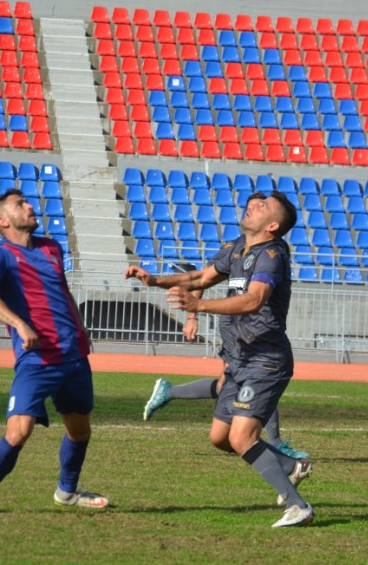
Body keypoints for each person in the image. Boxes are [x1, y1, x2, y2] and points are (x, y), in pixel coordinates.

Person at [125, 190, 314, 528]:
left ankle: (298, 506)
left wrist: (199, 306)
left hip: (265, 359)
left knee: (242, 438)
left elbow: (254, 300)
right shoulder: (237, 247)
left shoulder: (271, 255)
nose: (251, 206)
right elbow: (199, 277)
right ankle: (290, 466)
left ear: (272, 225)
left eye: (262, 206)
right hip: (238, 358)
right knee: (220, 438)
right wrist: (154, 280)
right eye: (251, 203)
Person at [0, 189, 107, 514]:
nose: (30, 206)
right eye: (20, 204)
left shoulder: (51, 247)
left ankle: (67, 492)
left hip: (74, 356)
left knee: (80, 431)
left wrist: (80, 326)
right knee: (18, 431)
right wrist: (19, 324)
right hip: (37, 359)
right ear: (3, 221)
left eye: (27, 202)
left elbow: (62, 291)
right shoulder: (0, 255)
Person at [143, 289, 310, 460]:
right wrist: (192, 318)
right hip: (238, 321)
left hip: (249, 321)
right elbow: (201, 281)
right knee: (258, 376)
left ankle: (169, 391)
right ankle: (274, 443)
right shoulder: (253, 270)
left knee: (229, 384)